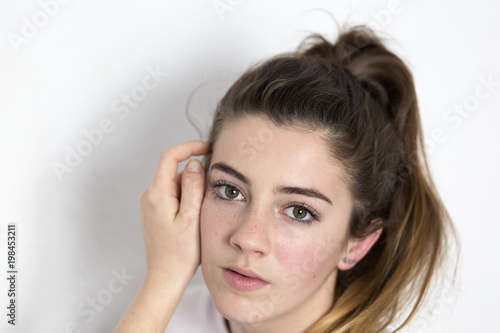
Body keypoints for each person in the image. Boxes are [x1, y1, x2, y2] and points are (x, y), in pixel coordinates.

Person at [114, 25, 458, 333]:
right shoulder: (161, 316)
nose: (247, 239)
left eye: (298, 211)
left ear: (356, 244)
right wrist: (162, 281)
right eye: (230, 191)